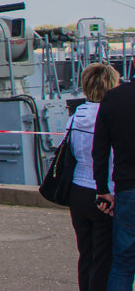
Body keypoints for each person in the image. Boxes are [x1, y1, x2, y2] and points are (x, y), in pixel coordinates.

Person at [69, 63, 120, 291]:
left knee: (86, 254)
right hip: (103, 190)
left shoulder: (75, 117)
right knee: (104, 257)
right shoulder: (111, 118)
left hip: (77, 189)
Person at [96, 70, 135, 290]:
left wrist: (102, 188)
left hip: (128, 189)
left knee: (123, 263)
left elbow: (99, 149)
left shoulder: (114, 97)